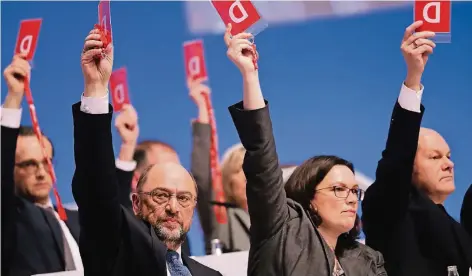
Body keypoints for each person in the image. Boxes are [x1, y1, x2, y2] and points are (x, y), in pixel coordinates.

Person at [223, 23, 386, 275]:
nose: (352, 198)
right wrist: (250, 76)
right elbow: (262, 156)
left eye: (354, 191)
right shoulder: (282, 232)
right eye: (338, 189)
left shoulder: (367, 261)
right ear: (310, 198)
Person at [72, 27, 221, 275]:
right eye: (161, 195)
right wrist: (96, 89)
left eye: (183, 198)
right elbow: (96, 189)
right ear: (136, 203)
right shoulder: (117, 254)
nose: (173, 207)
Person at [0, 53, 136, 276]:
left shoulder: (76, 219)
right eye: (28, 164)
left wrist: (127, 147)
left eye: (46, 162)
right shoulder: (10, 220)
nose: (42, 173)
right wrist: (14, 98)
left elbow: (112, 213)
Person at [362, 21, 472, 276]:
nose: (449, 164)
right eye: (434, 157)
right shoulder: (393, 211)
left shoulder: (458, 230)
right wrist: (414, 77)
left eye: (448, 156)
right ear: (409, 167)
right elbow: (397, 156)